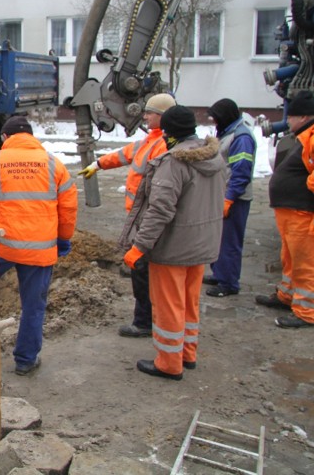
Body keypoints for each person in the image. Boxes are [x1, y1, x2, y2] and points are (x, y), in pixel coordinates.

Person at [0, 115, 77, 375]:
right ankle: (26, 360)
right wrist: (63, 239)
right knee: (33, 304)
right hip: (40, 249)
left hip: (3, 244)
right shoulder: (55, 165)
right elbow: (68, 209)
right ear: (31, 136)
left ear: (5, 137)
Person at [120, 105, 226, 380]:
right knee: (189, 303)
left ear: (169, 133)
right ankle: (187, 353)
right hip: (201, 245)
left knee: (168, 305)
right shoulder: (214, 157)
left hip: (174, 247)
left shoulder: (174, 163)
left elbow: (159, 211)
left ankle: (168, 362)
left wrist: (139, 247)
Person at [79, 93, 176, 338]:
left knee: (142, 269)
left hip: (148, 216)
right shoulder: (150, 140)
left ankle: (144, 321)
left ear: (163, 117)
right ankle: (148, 316)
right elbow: (124, 154)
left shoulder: (164, 145)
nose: (145, 116)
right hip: (139, 216)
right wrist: (98, 164)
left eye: (150, 113)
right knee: (142, 268)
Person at [256, 90, 314, 328]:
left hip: (305, 214)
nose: (287, 121)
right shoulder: (309, 135)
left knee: (309, 262)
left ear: (302, 117)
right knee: (291, 258)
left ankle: (306, 313)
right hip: (292, 213)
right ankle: (287, 296)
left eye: (290, 117)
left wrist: (311, 184)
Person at [204, 98, 257, 297]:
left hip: (235, 198)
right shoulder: (228, 132)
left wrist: (229, 198)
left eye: (216, 118)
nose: (214, 122)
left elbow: (241, 172)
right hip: (222, 195)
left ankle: (229, 283)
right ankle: (220, 273)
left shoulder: (241, 138)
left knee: (230, 241)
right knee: (219, 238)